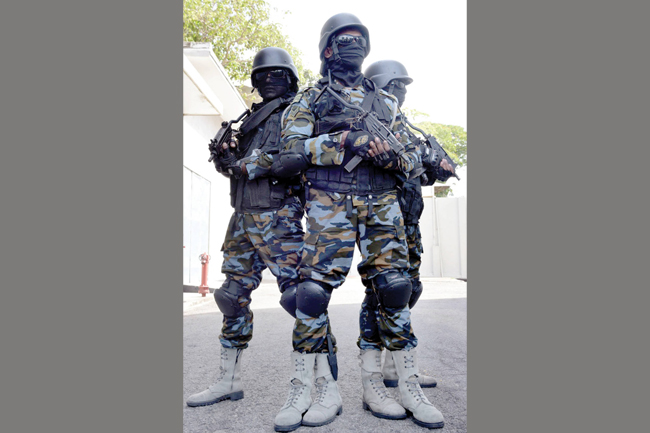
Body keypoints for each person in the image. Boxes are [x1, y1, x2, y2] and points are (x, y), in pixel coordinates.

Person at [271, 13, 443, 431]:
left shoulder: (384, 102)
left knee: (396, 289)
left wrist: (406, 157)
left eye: (360, 40)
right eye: (345, 40)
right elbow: (290, 155)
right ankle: (313, 389)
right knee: (311, 294)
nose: (355, 46)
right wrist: (345, 141)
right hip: (331, 200)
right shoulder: (308, 101)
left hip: (382, 201)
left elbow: (411, 154)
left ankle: (396, 385)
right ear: (328, 50)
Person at [186, 47, 305, 408]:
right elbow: (238, 169)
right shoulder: (249, 119)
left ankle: (314, 384)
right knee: (230, 297)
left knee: (302, 299)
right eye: (262, 75)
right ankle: (228, 380)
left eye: (277, 74)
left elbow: (293, 156)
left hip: (278, 216)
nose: (269, 79)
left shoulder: (296, 112)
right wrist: (226, 159)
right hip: (241, 217)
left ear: (290, 79)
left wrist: (243, 165)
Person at [358, 59, 457, 399]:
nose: (402, 91)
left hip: (408, 223)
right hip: (383, 222)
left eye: (404, 86)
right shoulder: (367, 120)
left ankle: (393, 365)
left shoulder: (404, 126)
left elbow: (417, 174)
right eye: (397, 84)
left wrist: (438, 168)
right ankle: (374, 371)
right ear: (380, 84)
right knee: (381, 293)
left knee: (407, 292)